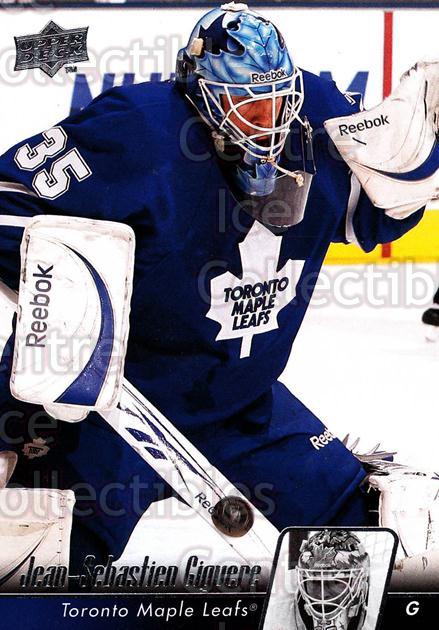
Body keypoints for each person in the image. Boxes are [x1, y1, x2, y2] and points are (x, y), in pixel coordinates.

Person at [0, 3, 436, 573]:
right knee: (34, 560)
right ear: (203, 96)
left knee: (378, 532)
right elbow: (8, 203)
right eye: (250, 107)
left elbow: (370, 218)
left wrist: (413, 172)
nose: (269, 124)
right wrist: (71, 297)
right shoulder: (138, 130)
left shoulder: (319, 120)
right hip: (108, 407)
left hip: (237, 401)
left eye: (279, 102)